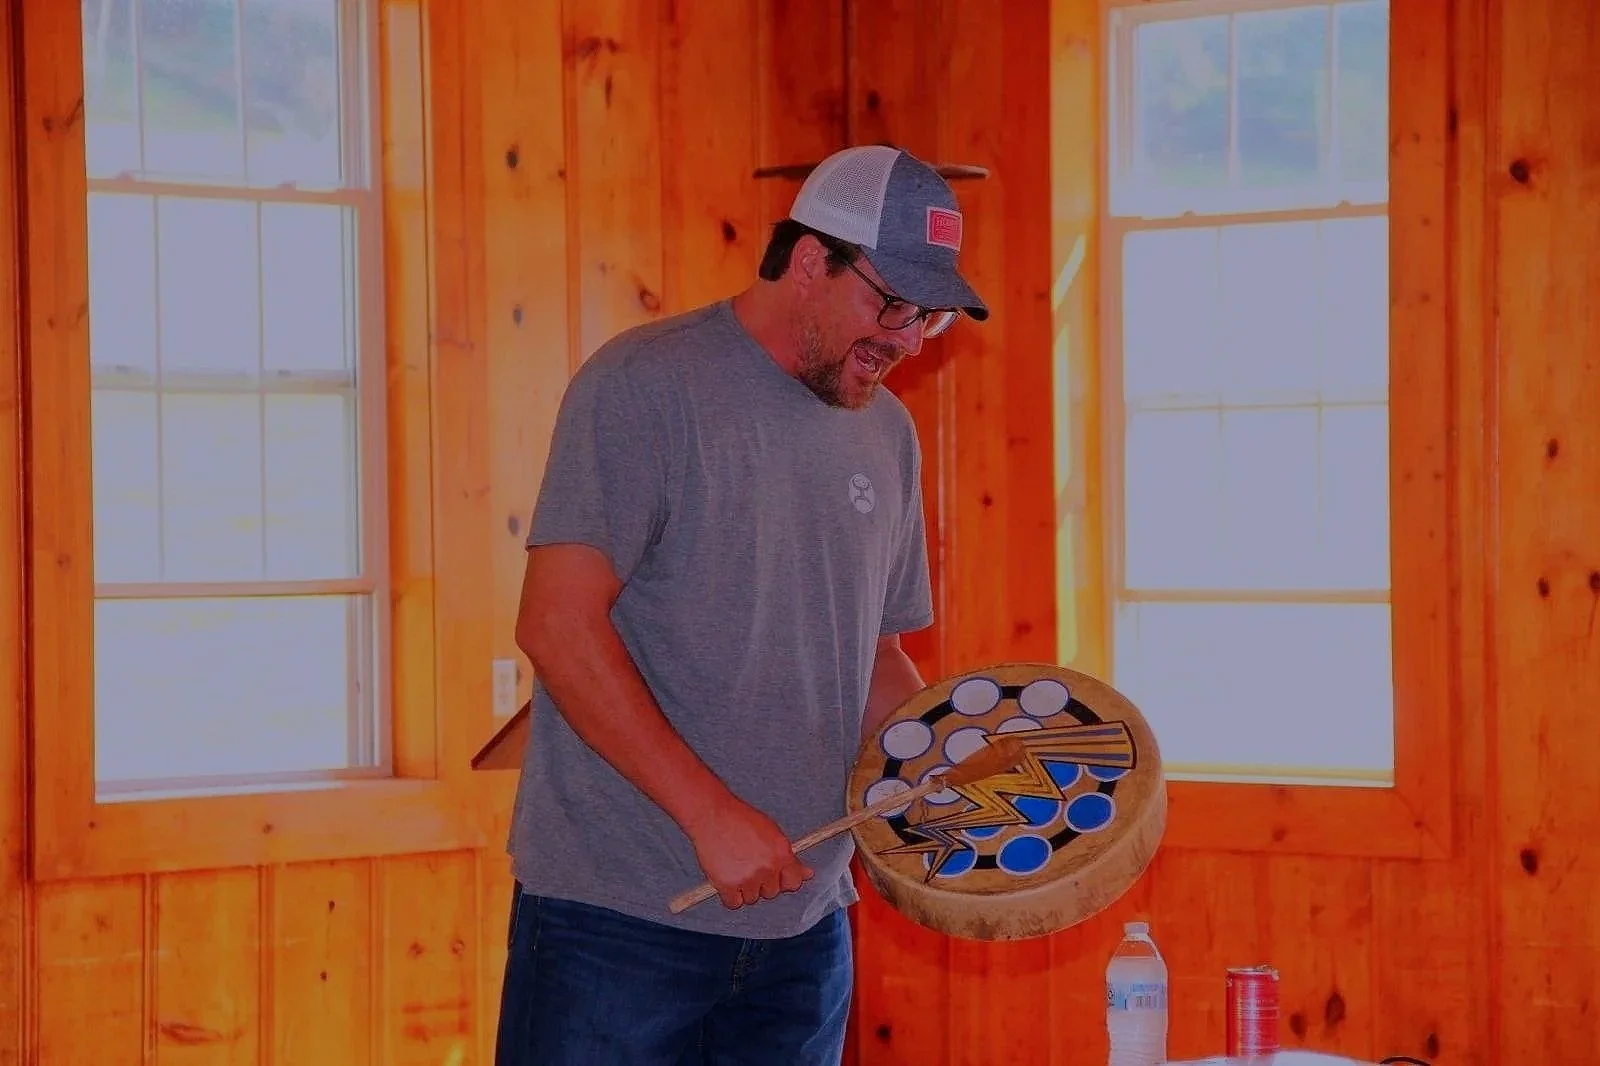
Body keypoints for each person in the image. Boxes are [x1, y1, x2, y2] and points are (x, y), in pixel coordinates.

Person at [493, 144, 990, 1065]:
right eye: (891, 305)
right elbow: (555, 624)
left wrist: (938, 761)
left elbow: (872, 654)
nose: (909, 340)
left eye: (931, 317)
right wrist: (709, 814)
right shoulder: (646, 384)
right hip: (618, 921)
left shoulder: (888, 430)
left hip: (806, 932)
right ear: (810, 260)